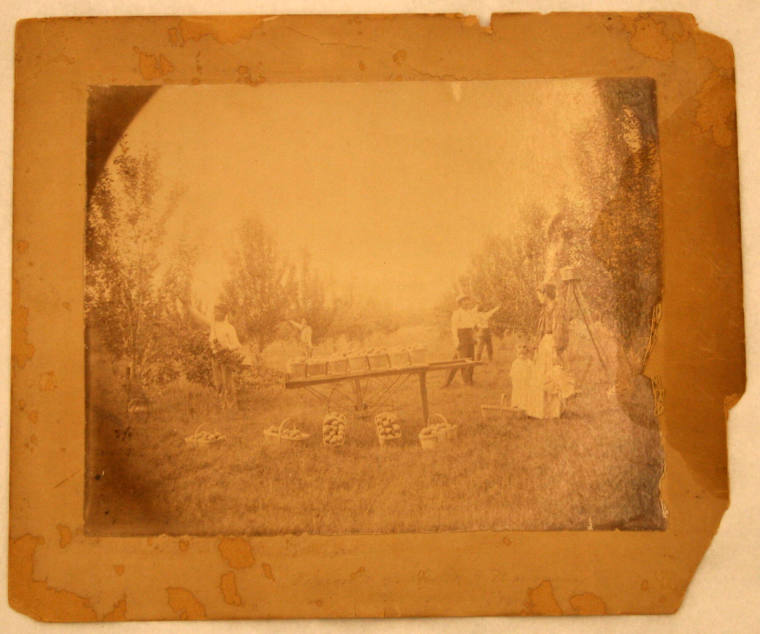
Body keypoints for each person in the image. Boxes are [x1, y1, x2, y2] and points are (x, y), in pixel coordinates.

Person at [524, 284, 563, 418]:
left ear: (546, 294)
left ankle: (552, 411)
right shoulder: (544, 310)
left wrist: (555, 348)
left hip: (552, 342)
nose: (539, 297)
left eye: (540, 294)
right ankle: (539, 410)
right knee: (540, 375)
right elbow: (540, 330)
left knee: (551, 376)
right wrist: (536, 345)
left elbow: (559, 330)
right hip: (545, 342)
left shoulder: (557, 310)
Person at [443, 294, 478, 387]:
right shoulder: (457, 313)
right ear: (460, 303)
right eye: (464, 301)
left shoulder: (470, 313)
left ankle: (469, 379)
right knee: (463, 360)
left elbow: (472, 326)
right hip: (461, 337)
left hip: (469, 337)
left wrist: (474, 337)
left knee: (470, 360)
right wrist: (456, 341)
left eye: (468, 300)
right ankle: (466, 381)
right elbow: (454, 328)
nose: (467, 303)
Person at [509, 343, 532, 411]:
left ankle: (526, 406)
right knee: (517, 391)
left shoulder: (529, 363)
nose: (522, 349)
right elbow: (512, 374)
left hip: (527, 382)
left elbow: (532, 373)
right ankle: (516, 405)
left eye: (524, 347)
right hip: (518, 382)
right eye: (519, 347)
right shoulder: (515, 363)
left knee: (526, 392)